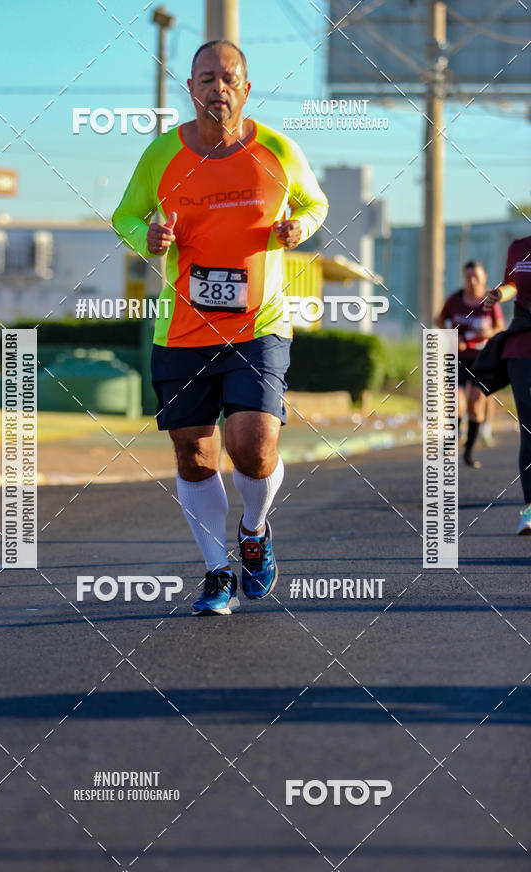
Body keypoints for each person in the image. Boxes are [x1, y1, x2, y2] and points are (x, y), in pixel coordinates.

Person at [112, 40, 328, 614]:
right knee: (194, 454)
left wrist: (298, 227)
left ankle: (254, 532)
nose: (217, 88)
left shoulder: (277, 149)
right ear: (191, 88)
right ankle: (216, 572)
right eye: (206, 78)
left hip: (260, 324)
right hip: (182, 329)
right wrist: (146, 238)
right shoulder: (162, 155)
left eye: (228, 78)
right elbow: (125, 214)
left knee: (252, 447)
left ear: (246, 88)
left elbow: (315, 204)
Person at [482, 237, 531, 535]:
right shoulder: (518, 247)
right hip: (522, 345)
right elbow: (513, 282)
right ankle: (530, 510)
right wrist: (500, 292)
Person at [436, 260, 504, 468]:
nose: (472, 281)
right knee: (456, 403)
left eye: (476, 276)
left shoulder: (490, 301)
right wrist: (452, 336)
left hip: (482, 360)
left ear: (483, 278)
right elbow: (440, 320)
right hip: (457, 358)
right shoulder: (455, 299)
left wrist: (489, 333)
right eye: (468, 277)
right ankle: (453, 439)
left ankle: (469, 453)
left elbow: (500, 327)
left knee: (475, 405)